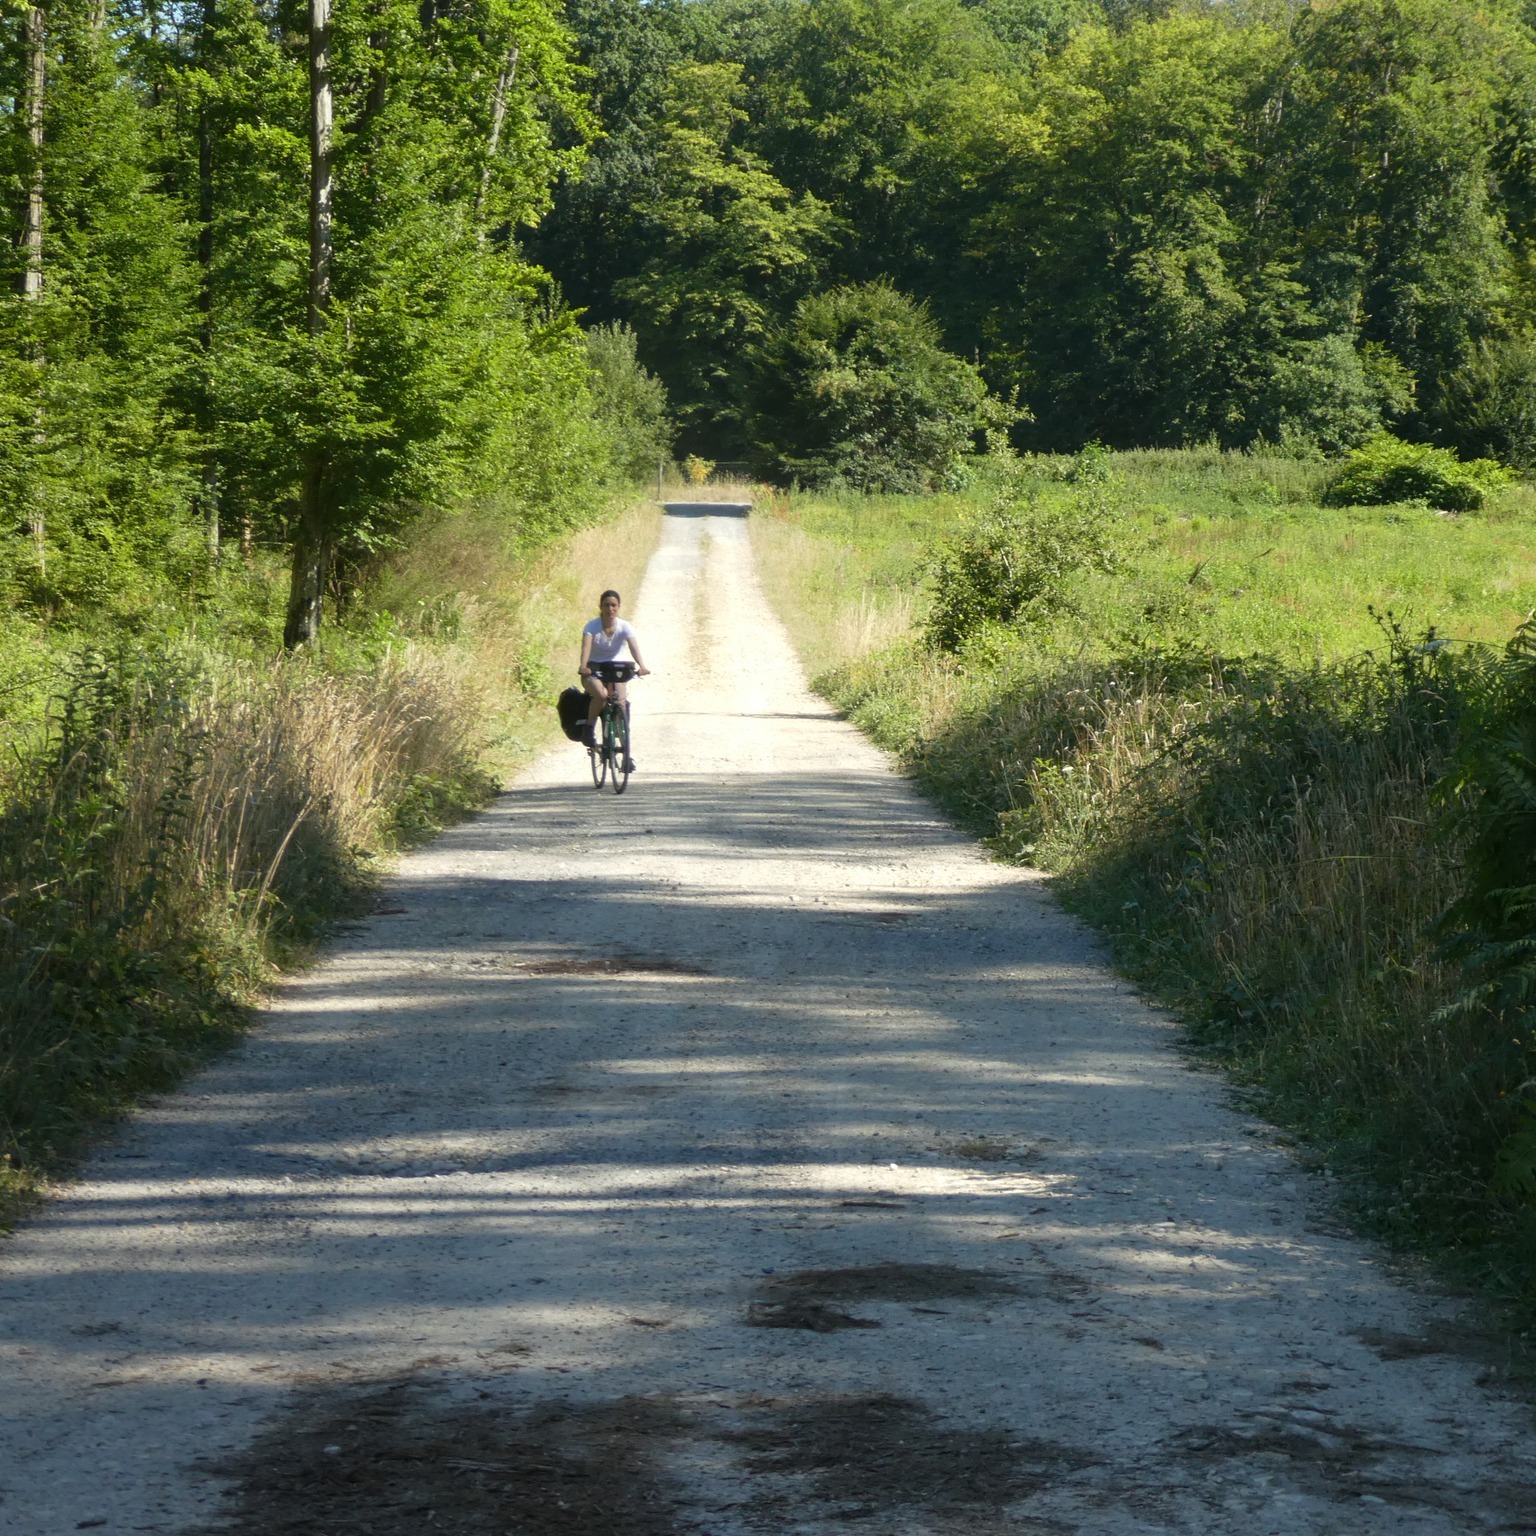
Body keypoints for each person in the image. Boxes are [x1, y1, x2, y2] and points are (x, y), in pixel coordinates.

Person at [579, 589, 650, 766]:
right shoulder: (592, 627)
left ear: (618, 607)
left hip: (616, 670)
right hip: (594, 670)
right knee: (602, 696)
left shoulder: (625, 626)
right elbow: (586, 648)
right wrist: (583, 666)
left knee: (620, 703)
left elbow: (633, 647)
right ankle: (589, 727)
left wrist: (642, 666)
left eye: (613, 605)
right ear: (600, 607)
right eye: (606, 605)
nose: (610, 609)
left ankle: (626, 755)